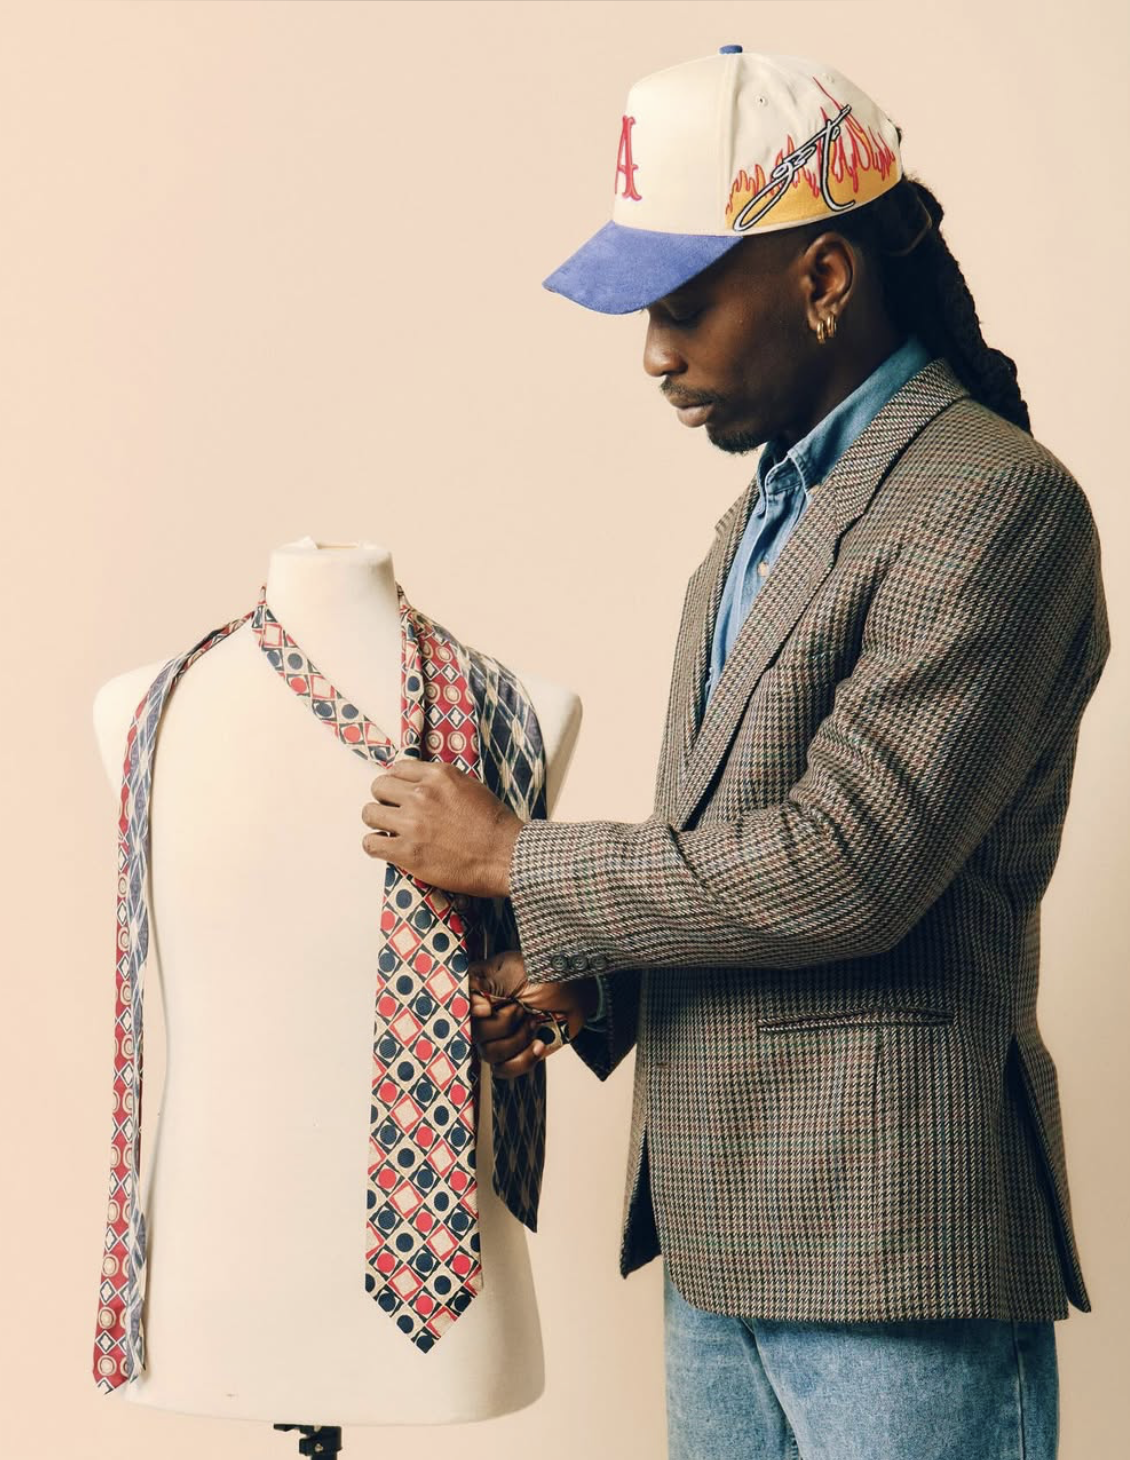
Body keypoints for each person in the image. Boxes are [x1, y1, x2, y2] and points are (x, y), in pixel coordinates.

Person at [359, 47, 1109, 1460]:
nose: (654, 353)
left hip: (892, 1245)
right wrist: (586, 984)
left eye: (684, 305)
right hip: (718, 1227)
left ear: (822, 279)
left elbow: (845, 868)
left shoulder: (987, 504)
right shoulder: (758, 519)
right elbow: (734, 841)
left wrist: (512, 858)